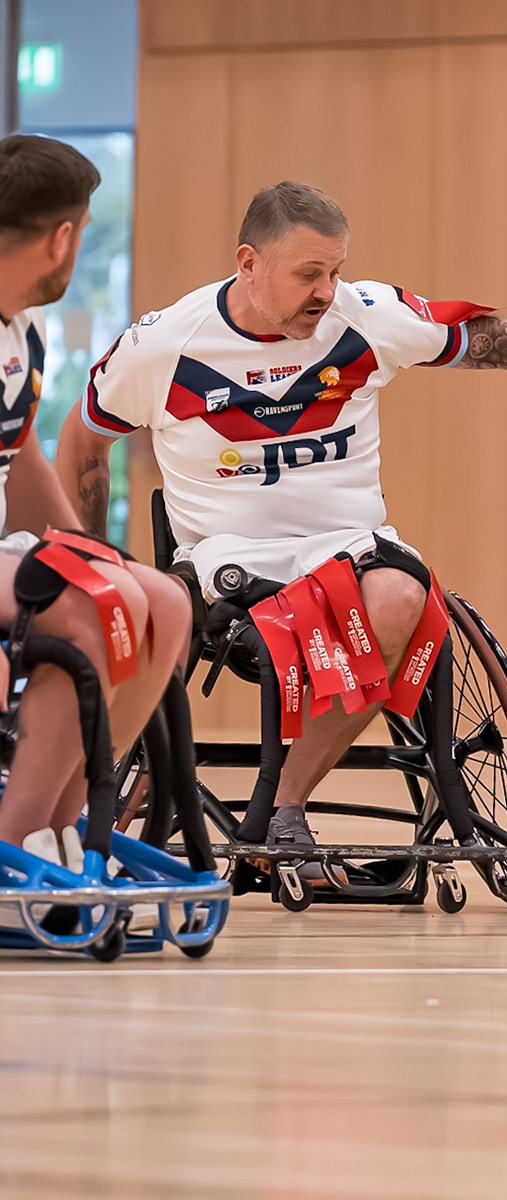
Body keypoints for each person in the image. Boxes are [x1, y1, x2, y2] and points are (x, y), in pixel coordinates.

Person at [55, 180, 507, 867]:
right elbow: (84, 441)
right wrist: (92, 560)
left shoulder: (363, 316)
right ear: (248, 263)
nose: (327, 290)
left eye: (335, 270)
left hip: (347, 550)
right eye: (308, 274)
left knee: (404, 598)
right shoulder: (162, 345)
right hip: (223, 562)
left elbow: (488, 340)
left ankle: (286, 806)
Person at [0, 134, 192, 867]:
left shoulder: (27, 323)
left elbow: (18, 455)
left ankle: (70, 826)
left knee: (164, 603)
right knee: (82, 613)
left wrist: (95, 553)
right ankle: (14, 842)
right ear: (63, 238)